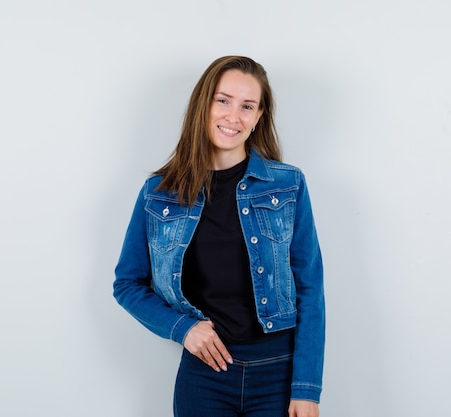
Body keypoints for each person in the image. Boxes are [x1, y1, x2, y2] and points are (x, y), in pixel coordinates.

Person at [113, 56, 325, 417]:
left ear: (258, 117)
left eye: (247, 106)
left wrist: (307, 388)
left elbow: (309, 288)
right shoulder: (159, 193)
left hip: (277, 372)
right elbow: (128, 284)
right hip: (204, 375)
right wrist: (184, 329)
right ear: (204, 104)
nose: (233, 116)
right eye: (223, 100)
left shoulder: (287, 185)